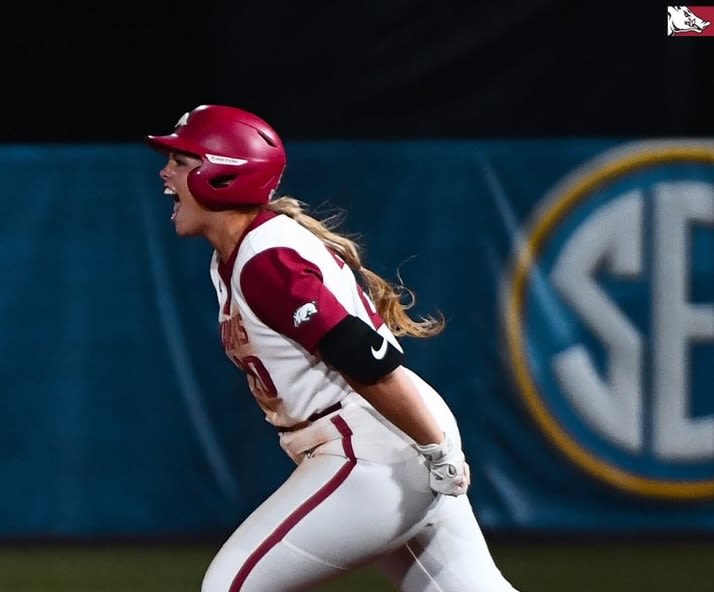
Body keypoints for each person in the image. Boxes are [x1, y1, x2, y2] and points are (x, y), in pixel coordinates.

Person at [145, 104, 520, 592]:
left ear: (221, 175)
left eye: (181, 160)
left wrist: (435, 447)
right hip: (388, 436)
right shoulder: (243, 253)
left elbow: (369, 362)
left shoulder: (264, 259)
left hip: (373, 443)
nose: (166, 172)